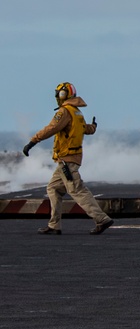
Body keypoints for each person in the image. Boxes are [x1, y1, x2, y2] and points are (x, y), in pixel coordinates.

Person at [22, 82, 114, 235]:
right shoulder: (77, 113)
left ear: (65, 95)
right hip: (68, 159)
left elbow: (51, 128)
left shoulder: (64, 112)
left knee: (77, 190)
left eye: (60, 94)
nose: (58, 97)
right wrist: (94, 127)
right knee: (53, 188)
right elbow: (86, 129)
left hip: (67, 159)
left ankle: (102, 219)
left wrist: (33, 141)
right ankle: (54, 225)